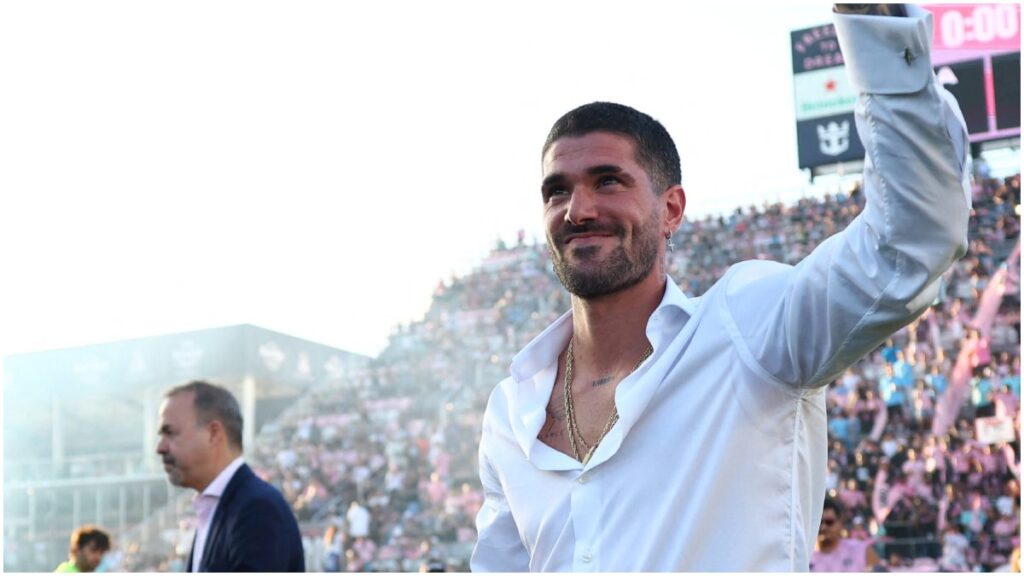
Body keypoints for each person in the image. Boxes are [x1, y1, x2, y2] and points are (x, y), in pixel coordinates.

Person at [471, 3, 971, 571]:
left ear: (671, 209)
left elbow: (912, 240)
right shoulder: (511, 411)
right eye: (556, 191)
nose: (578, 209)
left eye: (608, 181)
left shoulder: (748, 330)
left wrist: (876, 31)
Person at [156, 380, 304, 572]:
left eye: (170, 433)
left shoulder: (257, 508)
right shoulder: (220, 507)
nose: (160, 447)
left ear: (213, 433)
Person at [810, 498, 879, 572]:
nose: (823, 527)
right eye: (819, 523)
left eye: (829, 522)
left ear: (840, 523)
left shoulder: (861, 551)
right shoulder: (803, 558)